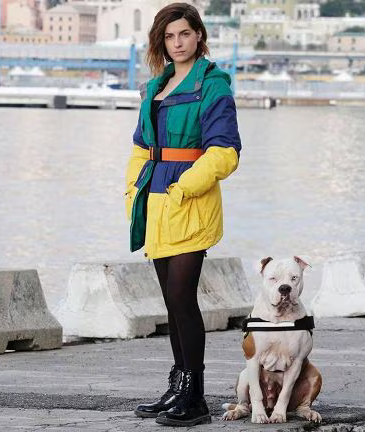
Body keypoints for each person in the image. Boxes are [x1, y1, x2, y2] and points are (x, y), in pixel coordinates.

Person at [124, 2, 242, 427]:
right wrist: (133, 190)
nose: (178, 43)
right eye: (170, 36)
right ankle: (178, 386)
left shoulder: (213, 85)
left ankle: (195, 397)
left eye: (185, 34)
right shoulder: (155, 87)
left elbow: (225, 153)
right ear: (161, 41)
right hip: (155, 201)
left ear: (199, 36)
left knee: (181, 298)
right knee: (171, 304)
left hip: (189, 202)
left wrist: (185, 187)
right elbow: (142, 146)